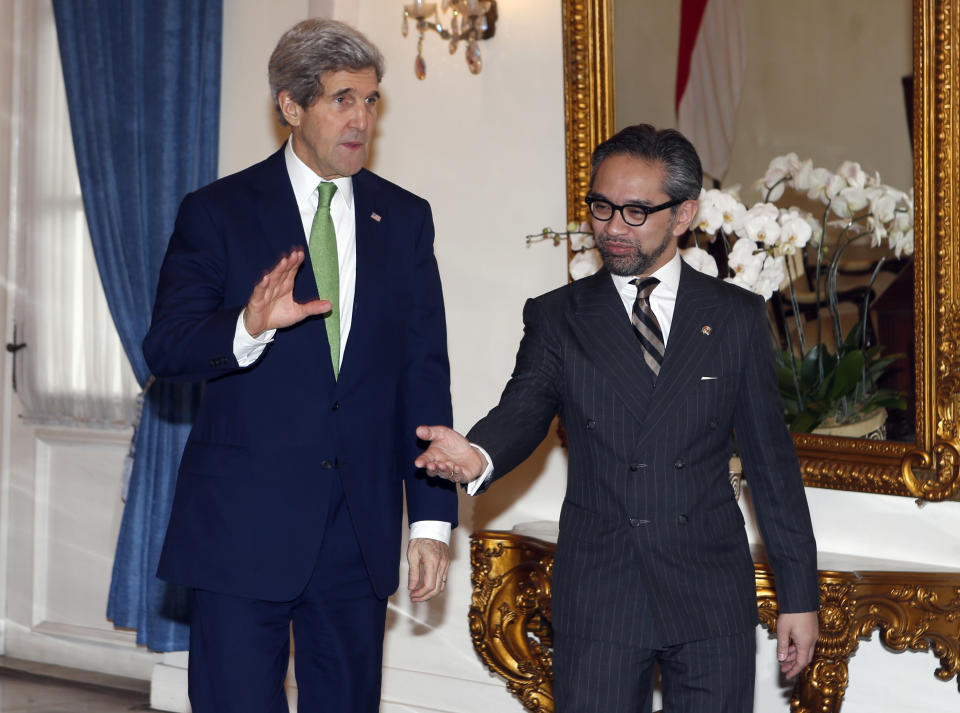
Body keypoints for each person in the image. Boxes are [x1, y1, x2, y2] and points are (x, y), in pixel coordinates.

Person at [415, 125, 819, 712]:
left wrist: (798, 596)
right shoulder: (559, 316)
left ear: (683, 215)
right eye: (601, 207)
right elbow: (526, 404)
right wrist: (478, 454)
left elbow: (772, 465)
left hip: (709, 590)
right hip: (603, 589)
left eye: (635, 211)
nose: (611, 227)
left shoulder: (734, 317)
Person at [143, 18, 457, 713]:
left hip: (358, 530)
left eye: (371, 100)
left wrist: (432, 520)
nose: (360, 119)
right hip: (241, 525)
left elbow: (423, 372)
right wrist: (247, 326)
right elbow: (166, 348)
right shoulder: (218, 211)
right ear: (291, 104)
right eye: (342, 99)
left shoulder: (404, 219)